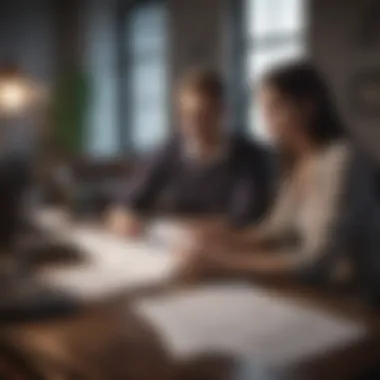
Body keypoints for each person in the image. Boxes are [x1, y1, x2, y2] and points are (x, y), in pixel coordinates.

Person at [182, 61, 380, 291]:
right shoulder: (300, 160)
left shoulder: (343, 160)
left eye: (274, 108)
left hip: (356, 301)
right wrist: (220, 240)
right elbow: (273, 232)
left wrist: (223, 264)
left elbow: (316, 263)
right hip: (317, 291)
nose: (266, 120)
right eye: (263, 109)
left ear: (307, 107)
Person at [108, 68, 272, 237]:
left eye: (203, 115)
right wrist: (123, 216)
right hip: (179, 245)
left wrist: (166, 226)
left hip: (235, 249)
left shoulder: (249, 155)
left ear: (222, 112)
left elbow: (243, 220)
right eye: (186, 116)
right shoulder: (171, 150)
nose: (194, 125)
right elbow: (128, 202)